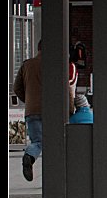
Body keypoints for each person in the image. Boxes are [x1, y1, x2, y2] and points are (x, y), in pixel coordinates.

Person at [13, 40, 78, 181]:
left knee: (37, 141)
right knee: (56, 142)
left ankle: (29, 155)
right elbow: (66, 89)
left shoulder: (27, 65)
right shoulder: (56, 65)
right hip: (53, 111)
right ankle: (55, 175)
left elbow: (16, 88)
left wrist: (30, 100)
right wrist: (70, 108)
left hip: (32, 111)